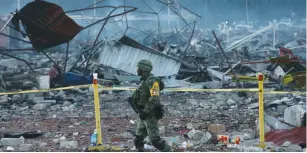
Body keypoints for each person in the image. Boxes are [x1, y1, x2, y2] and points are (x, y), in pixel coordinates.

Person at [130, 60, 171, 152]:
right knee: (138, 139)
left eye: (138, 68)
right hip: (143, 114)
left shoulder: (153, 81)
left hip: (150, 114)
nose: (137, 70)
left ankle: (168, 150)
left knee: (155, 141)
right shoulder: (144, 81)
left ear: (143, 69)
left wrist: (145, 111)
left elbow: (154, 99)